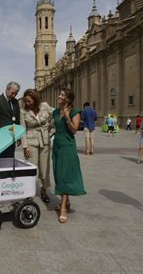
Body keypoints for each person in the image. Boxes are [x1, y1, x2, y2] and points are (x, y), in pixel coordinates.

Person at [52, 88, 86, 223]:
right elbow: (55, 126)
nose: (59, 96)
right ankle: (66, 201)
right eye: (59, 94)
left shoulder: (74, 112)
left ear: (68, 99)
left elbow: (74, 130)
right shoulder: (55, 112)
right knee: (58, 174)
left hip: (68, 146)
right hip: (57, 146)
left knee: (65, 175)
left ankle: (63, 208)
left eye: (62, 95)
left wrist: (67, 116)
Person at [20, 89, 54, 204]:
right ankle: (28, 193)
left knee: (44, 169)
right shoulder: (23, 111)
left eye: (29, 101)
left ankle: (44, 191)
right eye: (26, 101)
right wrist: (25, 147)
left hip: (45, 141)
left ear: (35, 99)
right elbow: (22, 130)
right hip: (30, 143)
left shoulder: (44, 106)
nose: (27, 103)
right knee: (31, 169)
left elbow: (57, 113)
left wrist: (51, 124)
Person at [0, 81, 21, 158]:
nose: (14, 95)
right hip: (0, 136)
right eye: (12, 93)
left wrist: (18, 135)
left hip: (11, 136)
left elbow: (17, 120)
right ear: (7, 89)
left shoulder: (15, 102)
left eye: (16, 94)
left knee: (10, 158)